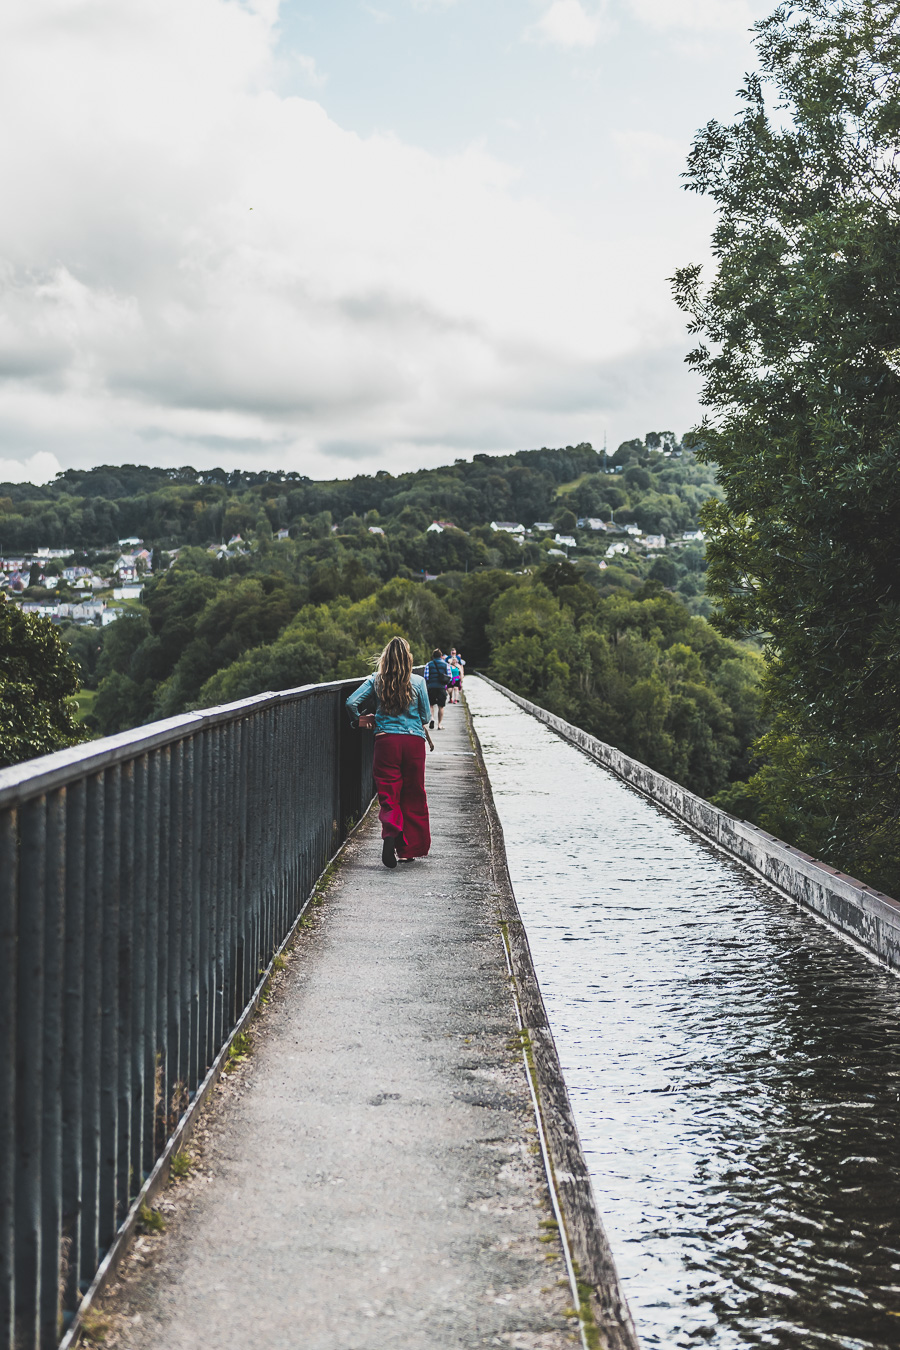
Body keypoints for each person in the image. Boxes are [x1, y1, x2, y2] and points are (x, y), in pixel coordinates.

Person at [346, 636, 432, 869]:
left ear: (385, 657)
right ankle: (407, 852)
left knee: (389, 795)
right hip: (414, 743)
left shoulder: (376, 680)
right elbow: (426, 717)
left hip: (386, 743)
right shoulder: (417, 681)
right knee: (414, 794)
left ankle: (389, 836)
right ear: (408, 659)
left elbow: (351, 702)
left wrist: (359, 721)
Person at [423, 647, 451, 730]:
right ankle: (439, 724)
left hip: (431, 687)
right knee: (441, 706)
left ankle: (432, 718)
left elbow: (426, 677)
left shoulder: (429, 664)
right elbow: (450, 676)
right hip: (441, 688)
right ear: (441, 656)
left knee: (431, 705)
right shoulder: (446, 665)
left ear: (433, 656)